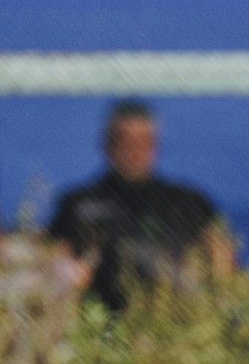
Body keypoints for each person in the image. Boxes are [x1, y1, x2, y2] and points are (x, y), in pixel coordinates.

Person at [49, 101, 235, 310]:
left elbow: (224, 264)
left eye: (144, 142)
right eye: (125, 142)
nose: (135, 151)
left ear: (156, 146)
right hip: (102, 324)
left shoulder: (190, 202)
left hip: (176, 322)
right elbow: (54, 261)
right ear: (107, 144)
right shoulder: (77, 203)